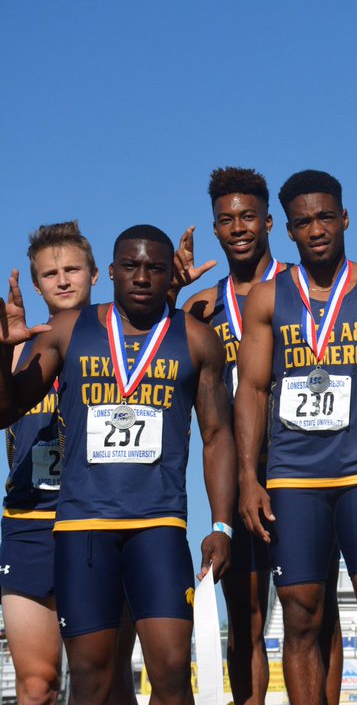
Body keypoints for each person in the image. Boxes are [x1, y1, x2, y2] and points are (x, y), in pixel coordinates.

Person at [0, 224, 237, 705]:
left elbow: (217, 436)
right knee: (92, 680)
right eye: (131, 266)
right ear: (110, 272)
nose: (142, 277)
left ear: (169, 274)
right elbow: (7, 410)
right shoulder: (69, 330)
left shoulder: (196, 339)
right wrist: (3, 351)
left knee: (172, 672)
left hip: (158, 526)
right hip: (84, 529)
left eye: (154, 268)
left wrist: (221, 525)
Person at [234, 170, 357, 705]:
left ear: (344, 219)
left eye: (324, 218)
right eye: (302, 223)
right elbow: (251, 390)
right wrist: (248, 477)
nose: (315, 230)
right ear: (288, 231)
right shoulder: (267, 300)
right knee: (300, 613)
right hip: (294, 478)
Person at [179, 167, 343, 705]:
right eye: (226, 220)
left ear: (270, 222)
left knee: (316, 610)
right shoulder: (200, 308)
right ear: (215, 228)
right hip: (237, 473)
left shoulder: (304, 286)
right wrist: (172, 297)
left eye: (248, 217)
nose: (238, 229)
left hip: (304, 464)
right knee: (245, 613)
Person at [1, 222, 141, 705]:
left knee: (110, 682)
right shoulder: (17, 348)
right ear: (36, 284)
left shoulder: (124, 344)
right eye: (49, 273)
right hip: (29, 523)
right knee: (36, 685)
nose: (62, 280)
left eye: (72, 270)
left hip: (103, 521)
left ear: (96, 275)